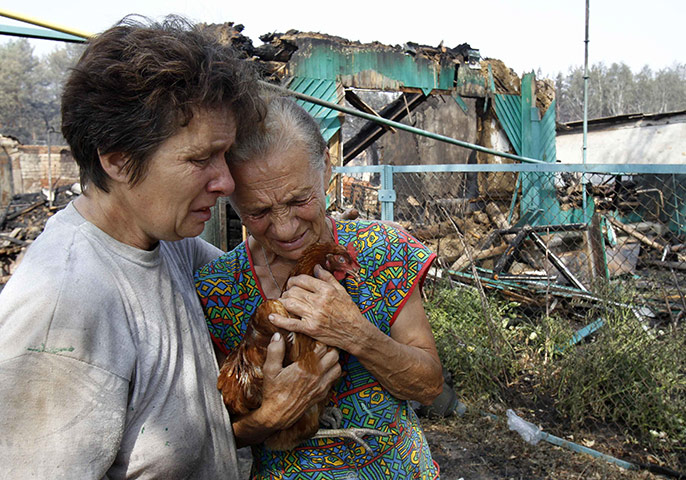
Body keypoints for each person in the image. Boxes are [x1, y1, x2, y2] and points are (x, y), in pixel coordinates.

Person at [0, 16, 299, 478]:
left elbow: (257, 280)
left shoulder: (166, 243)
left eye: (225, 154)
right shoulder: (64, 310)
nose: (225, 181)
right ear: (118, 158)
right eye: (200, 159)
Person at [195, 96, 444, 479]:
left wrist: (356, 334)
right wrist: (271, 415)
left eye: (298, 200)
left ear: (326, 167)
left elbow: (428, 387)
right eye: (258, 212)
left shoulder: (384, 252)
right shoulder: (218, 290)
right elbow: (210, 436)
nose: (284, 229)